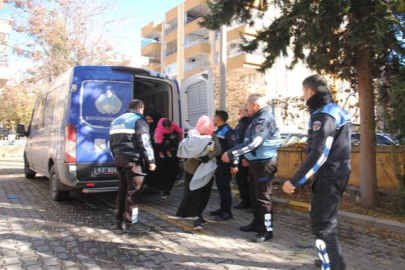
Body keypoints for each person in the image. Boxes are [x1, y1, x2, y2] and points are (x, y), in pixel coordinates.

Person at [282, 75, 351, 270]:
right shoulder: (336, 110)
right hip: (338, 172)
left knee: (322, 226)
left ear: (310, 91)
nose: (303, 95)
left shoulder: (323, 115)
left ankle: (331, 266)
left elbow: (320, 153)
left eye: (303, 91)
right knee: (326, 222)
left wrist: (295, 180)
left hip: (329, 175)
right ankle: (332, 261)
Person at [222, 94, 280, 242]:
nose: (245, 108)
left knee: (264, 199)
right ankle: (257, 223)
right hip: (256, 162)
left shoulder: (264, 119)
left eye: (247, 105)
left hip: (265, 164)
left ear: (254, 105)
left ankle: (267, 230)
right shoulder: (256, 118)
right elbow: (247, 141)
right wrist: (247, 157)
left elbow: (255, 142)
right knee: (255, 196)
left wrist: (231, 153)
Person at [109, 99, 156, 234]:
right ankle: (131, 223)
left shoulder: (116, 121)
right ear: (140, 108)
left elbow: (110, 143)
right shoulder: (139, 120)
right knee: (134, 191)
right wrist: (151, 161)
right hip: (133, 160)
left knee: (122, 190)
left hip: (119, 159)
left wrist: (115, 156)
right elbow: (144, 141)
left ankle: (119, 221)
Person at [176, 116, 222, 230]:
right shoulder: (192, 136)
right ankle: (195, 216)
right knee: (194, 193)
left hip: (206, 169)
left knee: (204, 193)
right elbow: (185, 149)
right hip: (193, 168)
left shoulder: (211, 136)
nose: (206, 131)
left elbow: (217, 149)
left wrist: (208, 156)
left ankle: (198, 214)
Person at [210, 110, 238, 221]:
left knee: (225, 188)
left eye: (214, 117)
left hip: (226, 164)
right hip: (218, 163)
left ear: (218, 118)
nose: (213, 119)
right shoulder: (218, 131)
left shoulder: (228, 131)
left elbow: (234, 148)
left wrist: (233, 164)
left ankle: (227, 212)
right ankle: (222, 208)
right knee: (220, 187)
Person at [233, 105, 252, 210]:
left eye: (246, 109)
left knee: (249, 181)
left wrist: (246, 156)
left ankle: (251, 203)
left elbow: (247, 141)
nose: (243, 111)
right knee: (241, 180)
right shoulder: (241, 122)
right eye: (242, 109)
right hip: (240, 155)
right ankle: (245, 201)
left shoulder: (250, 122)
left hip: (246, 156)